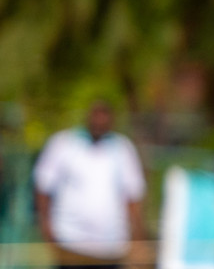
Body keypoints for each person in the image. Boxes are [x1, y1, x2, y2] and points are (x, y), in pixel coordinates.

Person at [32, 101, 146, 269]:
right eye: (96, 115)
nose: (99, 121)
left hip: (110, 248)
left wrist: (137, 238)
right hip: (69, 244)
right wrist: (46, 228)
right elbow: (43, 186)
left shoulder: (122, 148)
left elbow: (133, 195)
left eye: (104, 116)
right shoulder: (64, 143)